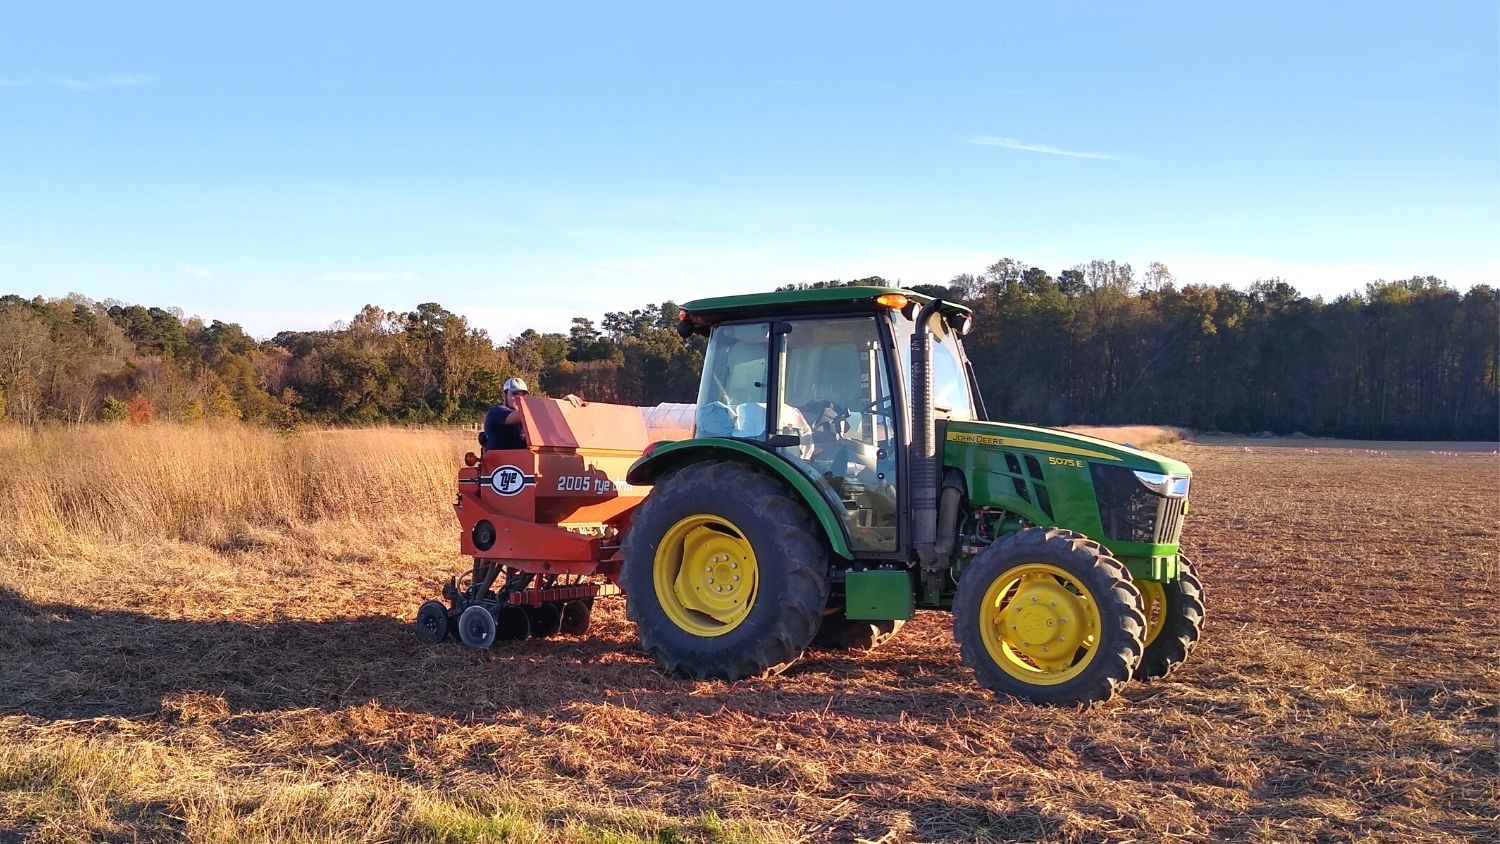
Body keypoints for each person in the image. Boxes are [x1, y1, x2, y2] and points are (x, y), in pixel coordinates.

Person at [480, 377, 583, 451]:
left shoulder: (530, 416)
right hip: (499, 466)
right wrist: (554, 405)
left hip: (524, 464)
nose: (519, 398)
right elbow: (514, 417)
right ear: (505, 395)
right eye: (514, 394)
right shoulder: (497, 411)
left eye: (523, 395)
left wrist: (564, 405)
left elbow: (549, 424)